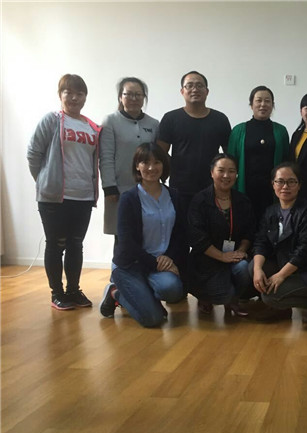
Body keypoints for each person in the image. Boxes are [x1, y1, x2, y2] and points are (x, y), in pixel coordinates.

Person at [27, 74, 101, 310]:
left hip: (84, 196)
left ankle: (73, 290)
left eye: (80, 93)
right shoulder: (52, 120)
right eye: (69, 92)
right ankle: (57, 293)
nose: (74, 98)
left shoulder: (92, 127)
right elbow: (33, 154)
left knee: (75, 244)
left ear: (85, 97)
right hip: (54, 197)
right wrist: (45, 181)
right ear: (60, 95)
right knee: (56, 244)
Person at [99, 143, 187, 327]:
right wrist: (156, 263)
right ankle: (115, 292)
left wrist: (169, 258)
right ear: (137, 166)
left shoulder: (174, 196)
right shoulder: (129, 198)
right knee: (153, 319)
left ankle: (142, 298)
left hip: (159, 264)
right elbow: (126, 243)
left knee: (173, 289)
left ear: (164, 165)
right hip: (130, 265)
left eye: (157, 162)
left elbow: (181, 234)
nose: (151, 168)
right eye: (145, 163)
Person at [250, 162, 307, 321]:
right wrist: (257, 269)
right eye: (280, 181)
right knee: (252, 267)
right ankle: (282, 308)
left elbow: (306, 250)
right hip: (285, 265)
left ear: (299, 185)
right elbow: (261, 242)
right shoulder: (271, 211)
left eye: (291, 181)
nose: (285, 186)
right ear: (273, 184)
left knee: (270, 297)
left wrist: (281, 275)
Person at [187, 154, 255, 316]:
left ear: (236, 174)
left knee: (244, 268)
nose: (226, 175)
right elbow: (197, 238)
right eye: (221, 170)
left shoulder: (243, 201)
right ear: (212, 172)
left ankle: (234, 300)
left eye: (231, 171)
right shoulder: (200, 201)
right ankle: (206, 297)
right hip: (207, 259)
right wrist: (222, 256)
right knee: (223, 294)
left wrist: (241, 250)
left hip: (233, 257)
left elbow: (249, 231)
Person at [157, 71, 231, 211]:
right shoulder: (170, 118)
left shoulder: (220, 119)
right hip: (180, 188)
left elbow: (229, 155)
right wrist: (175, 169)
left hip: (212, 187)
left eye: (199, 85)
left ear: (207, 91)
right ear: (182, 91)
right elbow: (160, 153)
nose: (195, 89)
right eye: (189, 85)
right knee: (181, 224)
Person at [100, 77, 159, 236]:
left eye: (138, 95)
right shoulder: (110, 121)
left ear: (144, 97)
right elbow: (106, 156)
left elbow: (158, 156)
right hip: (119, 189)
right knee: (122, 235)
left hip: (148, 189)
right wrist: (109, 187)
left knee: (147, 233)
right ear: (120, 97)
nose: (134, 98)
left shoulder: (153, 124)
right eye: (129, 94)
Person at [228, 86, 290, 222]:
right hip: (245, 188)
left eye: (267, 101)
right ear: (251, 104)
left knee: (271, 225)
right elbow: (231, 163)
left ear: (272, 105)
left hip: (272, 190)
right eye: (258, 100)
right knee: (246, 225)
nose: (263, 104)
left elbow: (286, 162)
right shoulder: (238, 131)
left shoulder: (281, 131)